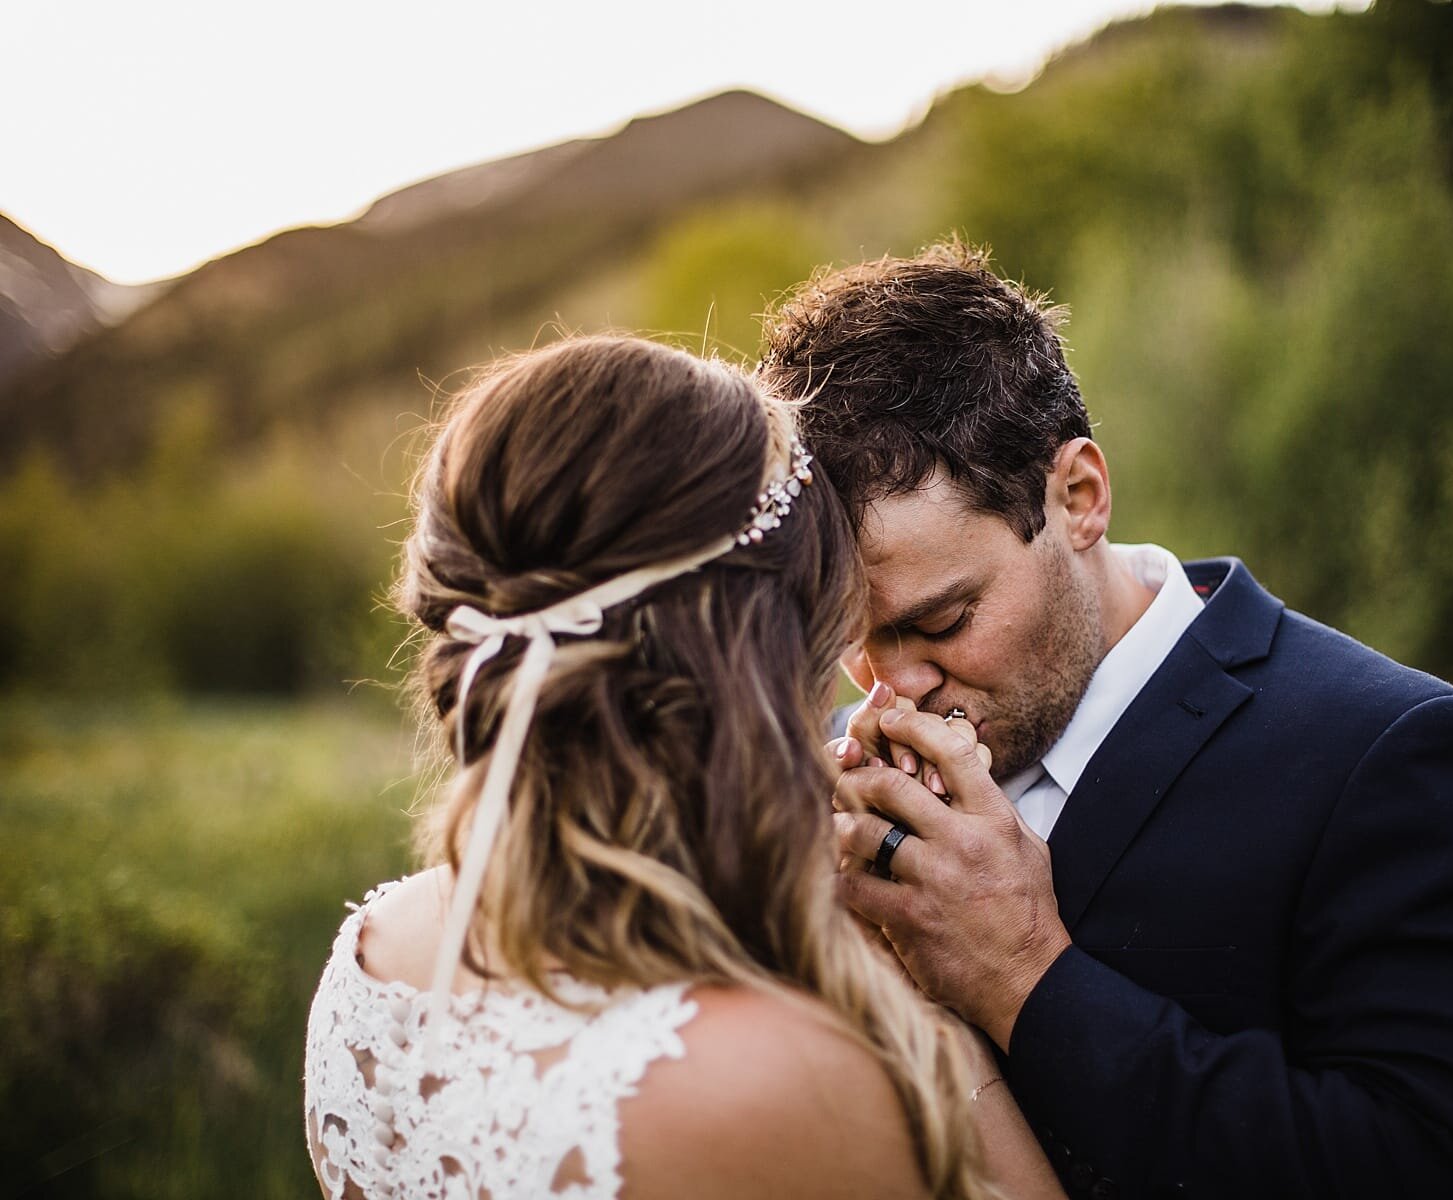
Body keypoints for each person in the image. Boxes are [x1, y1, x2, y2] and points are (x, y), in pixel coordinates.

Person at [756, 241, 1453, 1199]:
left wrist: (1027, 980)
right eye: (854, 639)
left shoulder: (1391, 753)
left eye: (941, 621)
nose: (893, 687)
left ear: (1079, 496)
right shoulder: (824, 775)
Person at [301, 335, 1063, 1200]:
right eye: (827, 653)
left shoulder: (372, 967)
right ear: (748, 673)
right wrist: (934, 1018)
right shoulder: (780, 1084)